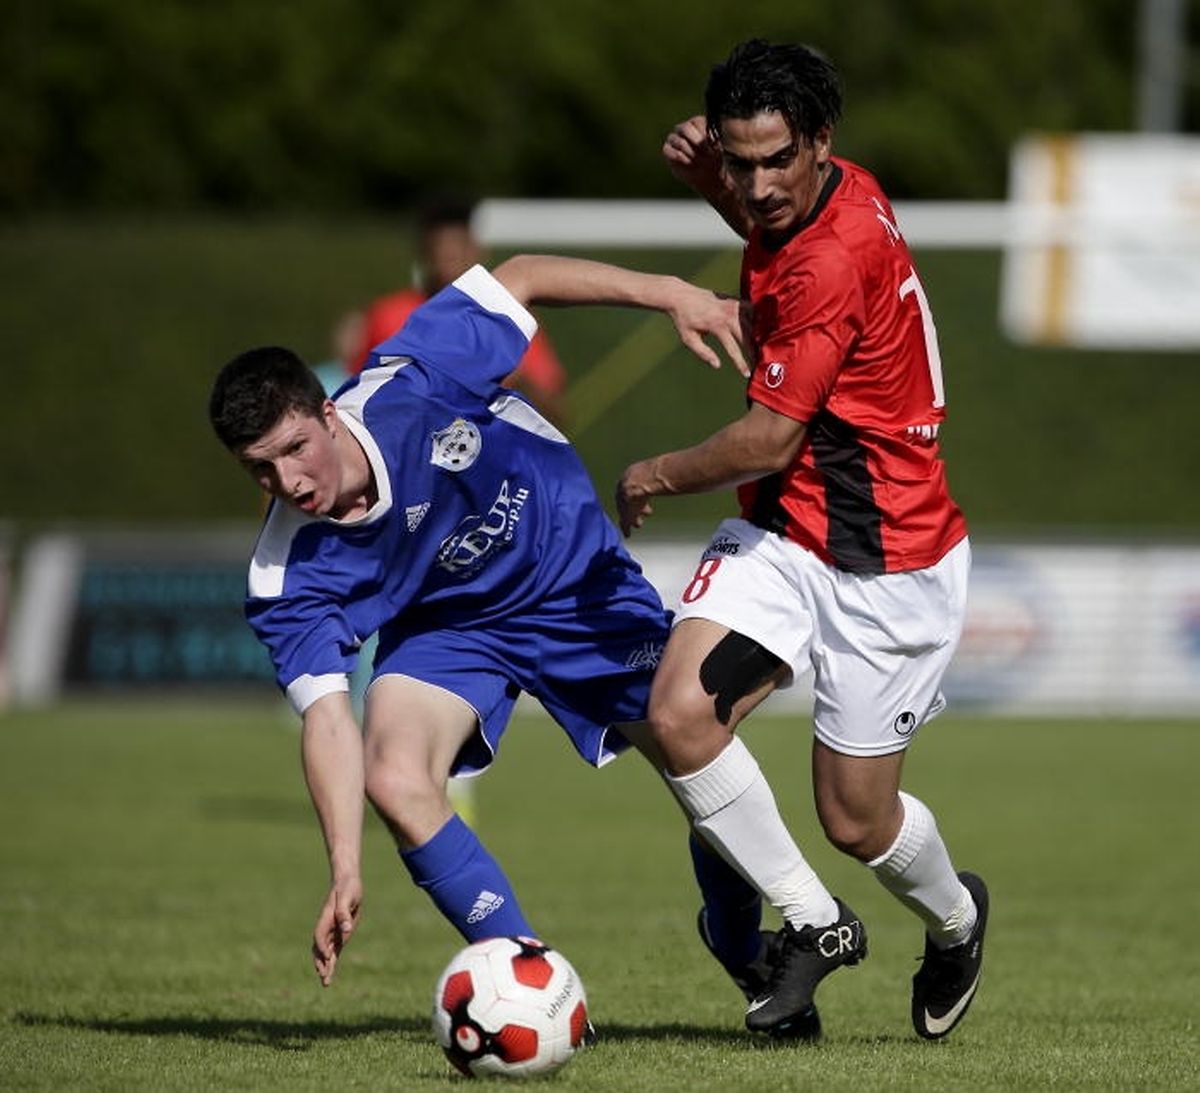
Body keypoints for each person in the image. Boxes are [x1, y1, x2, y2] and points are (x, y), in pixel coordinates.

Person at [208, 253, 763, 997]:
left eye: (295, 450)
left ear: (329, 413)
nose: (290, 483)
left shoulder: (414, 379)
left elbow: (524, 275)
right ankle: (532, 987)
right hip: (452, 627)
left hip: (567, 574)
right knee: (395, 777)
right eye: (261, 470)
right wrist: (345, 864)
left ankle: (741, 943)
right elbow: (328, 719)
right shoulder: (285, 576)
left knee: (694, 746)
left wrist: (673, 296)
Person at [616, 38, 988, 1042]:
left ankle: (955, 920)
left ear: (821, 142)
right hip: (786, 531)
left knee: (856, 821)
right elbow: (773, 234)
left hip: (888, 559)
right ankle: (812, 922)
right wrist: (719, 190)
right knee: (675, 714)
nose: (757, 183)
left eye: (777, 159)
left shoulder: (834, 252)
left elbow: (769, 432)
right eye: (739, 160)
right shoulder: (830, 196)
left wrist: (648, 471)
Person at [342, 197, 569, 426]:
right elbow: (355, 403)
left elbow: (555, 416)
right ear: (425, 252)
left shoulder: (508, 316)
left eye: (458, 247)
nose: (449, 257)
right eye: (441, 247)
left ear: (478, 250)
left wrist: (516, 379)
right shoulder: (387, 315)